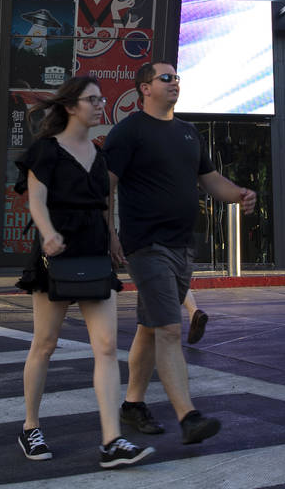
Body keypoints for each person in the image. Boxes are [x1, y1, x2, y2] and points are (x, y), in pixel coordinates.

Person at [105, 62, 256, 446]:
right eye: (166, 78)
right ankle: (188, 416)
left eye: (177, 78)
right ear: (145, 88)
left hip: (182, 244)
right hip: (146, 244)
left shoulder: (189, 133)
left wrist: (238, 193)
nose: (175, 83)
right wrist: (110, 233)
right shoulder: (128, 132)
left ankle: (133, 404)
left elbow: (210, 180)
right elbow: (105, 184)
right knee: (170, 329)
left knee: (151, 326)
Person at [14, 76, 153, 469]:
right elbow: (36, 201)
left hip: (94, 251)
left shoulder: (99, 152)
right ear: (71, 106)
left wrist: (113, 240)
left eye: (101, 99)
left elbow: (104, 203)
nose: (100, 105)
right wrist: (48, 235)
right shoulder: (45, 151)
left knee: (107, 346)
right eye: (92, 100)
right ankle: (30, 426)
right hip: (56, 252)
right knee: (45, 343)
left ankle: (112, 440)